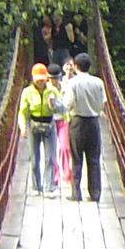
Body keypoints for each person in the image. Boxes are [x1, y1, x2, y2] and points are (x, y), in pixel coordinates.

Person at [62, 52, 107, 201]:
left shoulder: (72, 83)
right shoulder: (98, 82)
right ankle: (95, 194)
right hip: (94, 123)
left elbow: (69, 104)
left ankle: (76, 193)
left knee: (76, 158)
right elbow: (102, 104)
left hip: (77, 123)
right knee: (94, 159)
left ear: (75, 66)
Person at [17, 63, 60, 196]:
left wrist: (54, 106)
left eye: (43, 78)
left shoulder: (52, 91)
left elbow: (61, 108)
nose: (41, 81)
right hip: (33, 126)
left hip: (49, 125)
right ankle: (36, 186)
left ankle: (49, 187)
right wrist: (23, 127)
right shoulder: (27, 92)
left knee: (50, 158)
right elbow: (22, 112)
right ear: (33, 78)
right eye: (38, 78)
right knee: (35, 158)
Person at [48, 63, 74, 191]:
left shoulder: (65, 86)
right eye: (52, 78)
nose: (54, 81)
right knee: (52, 149)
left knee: (64, 148)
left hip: (63, 120)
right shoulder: (46, 89)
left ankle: (67, 174)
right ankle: (55, 175)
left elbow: (69, 103)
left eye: (56, 78)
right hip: (50, 121)